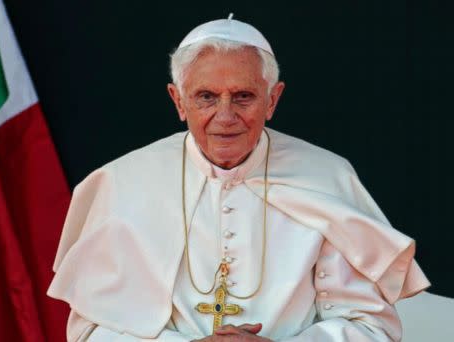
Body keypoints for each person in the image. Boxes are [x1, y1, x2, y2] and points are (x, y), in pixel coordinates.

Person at [47, 15, 430, 341]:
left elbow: (371, 327)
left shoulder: (327, 178)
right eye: (206, 97)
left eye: (243, 96)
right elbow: (91, 330)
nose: (226, 116)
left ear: (273, 99)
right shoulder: (123, 183)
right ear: (178, 101)